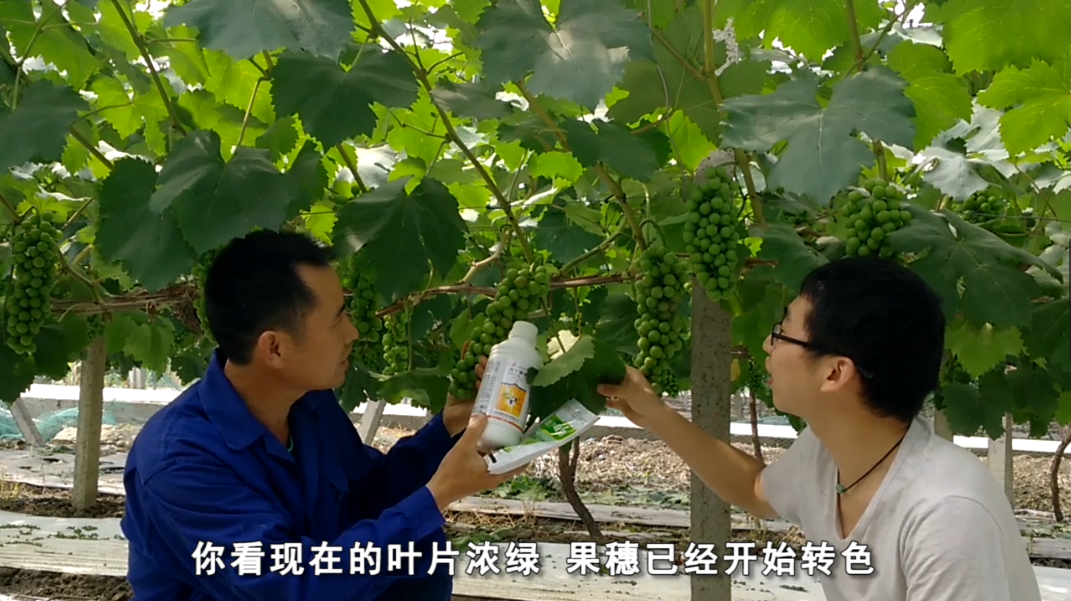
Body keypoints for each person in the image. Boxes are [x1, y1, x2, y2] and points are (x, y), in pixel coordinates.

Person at [598, 256, 1041, 601]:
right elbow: (754, 489)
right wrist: (654, 413)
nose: (767, 344)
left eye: (782, 332)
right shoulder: (827, 452)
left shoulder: (947, 516)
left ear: (835, 373)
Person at [121, 230, 525, 600]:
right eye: (337, 320)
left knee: (416, 547)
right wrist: (437, 496)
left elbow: (367, 493)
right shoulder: (179, 461)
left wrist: (448, 425)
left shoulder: (308, 404)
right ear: (275, 349)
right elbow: (290, 588)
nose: (353, 332)